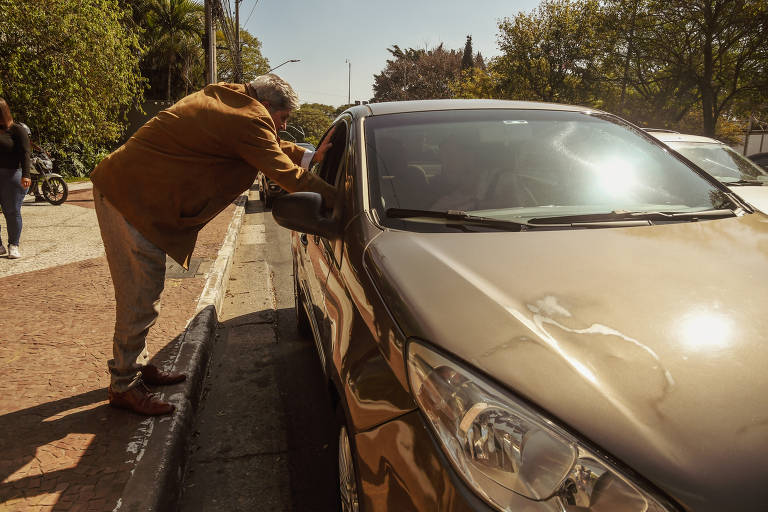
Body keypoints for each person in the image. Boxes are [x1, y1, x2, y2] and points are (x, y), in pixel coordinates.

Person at [90, 74, 336, 416]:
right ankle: (124, 386)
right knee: (140, 295)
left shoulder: (234, 102)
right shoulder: (248, 119)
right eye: (281, 120)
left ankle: (137, 365)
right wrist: (345, 202)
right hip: (130, 198)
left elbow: (264, 144)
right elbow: (286, 174)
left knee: (146, 291)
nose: (280, 129)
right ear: (266, 106)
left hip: (133, 192)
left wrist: (310, 155)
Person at [0, 98, 32, 259]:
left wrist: (26, 174)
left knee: (11, 211)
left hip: (12, 175)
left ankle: (14, 244)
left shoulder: (17, 130)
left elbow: (26, 153)